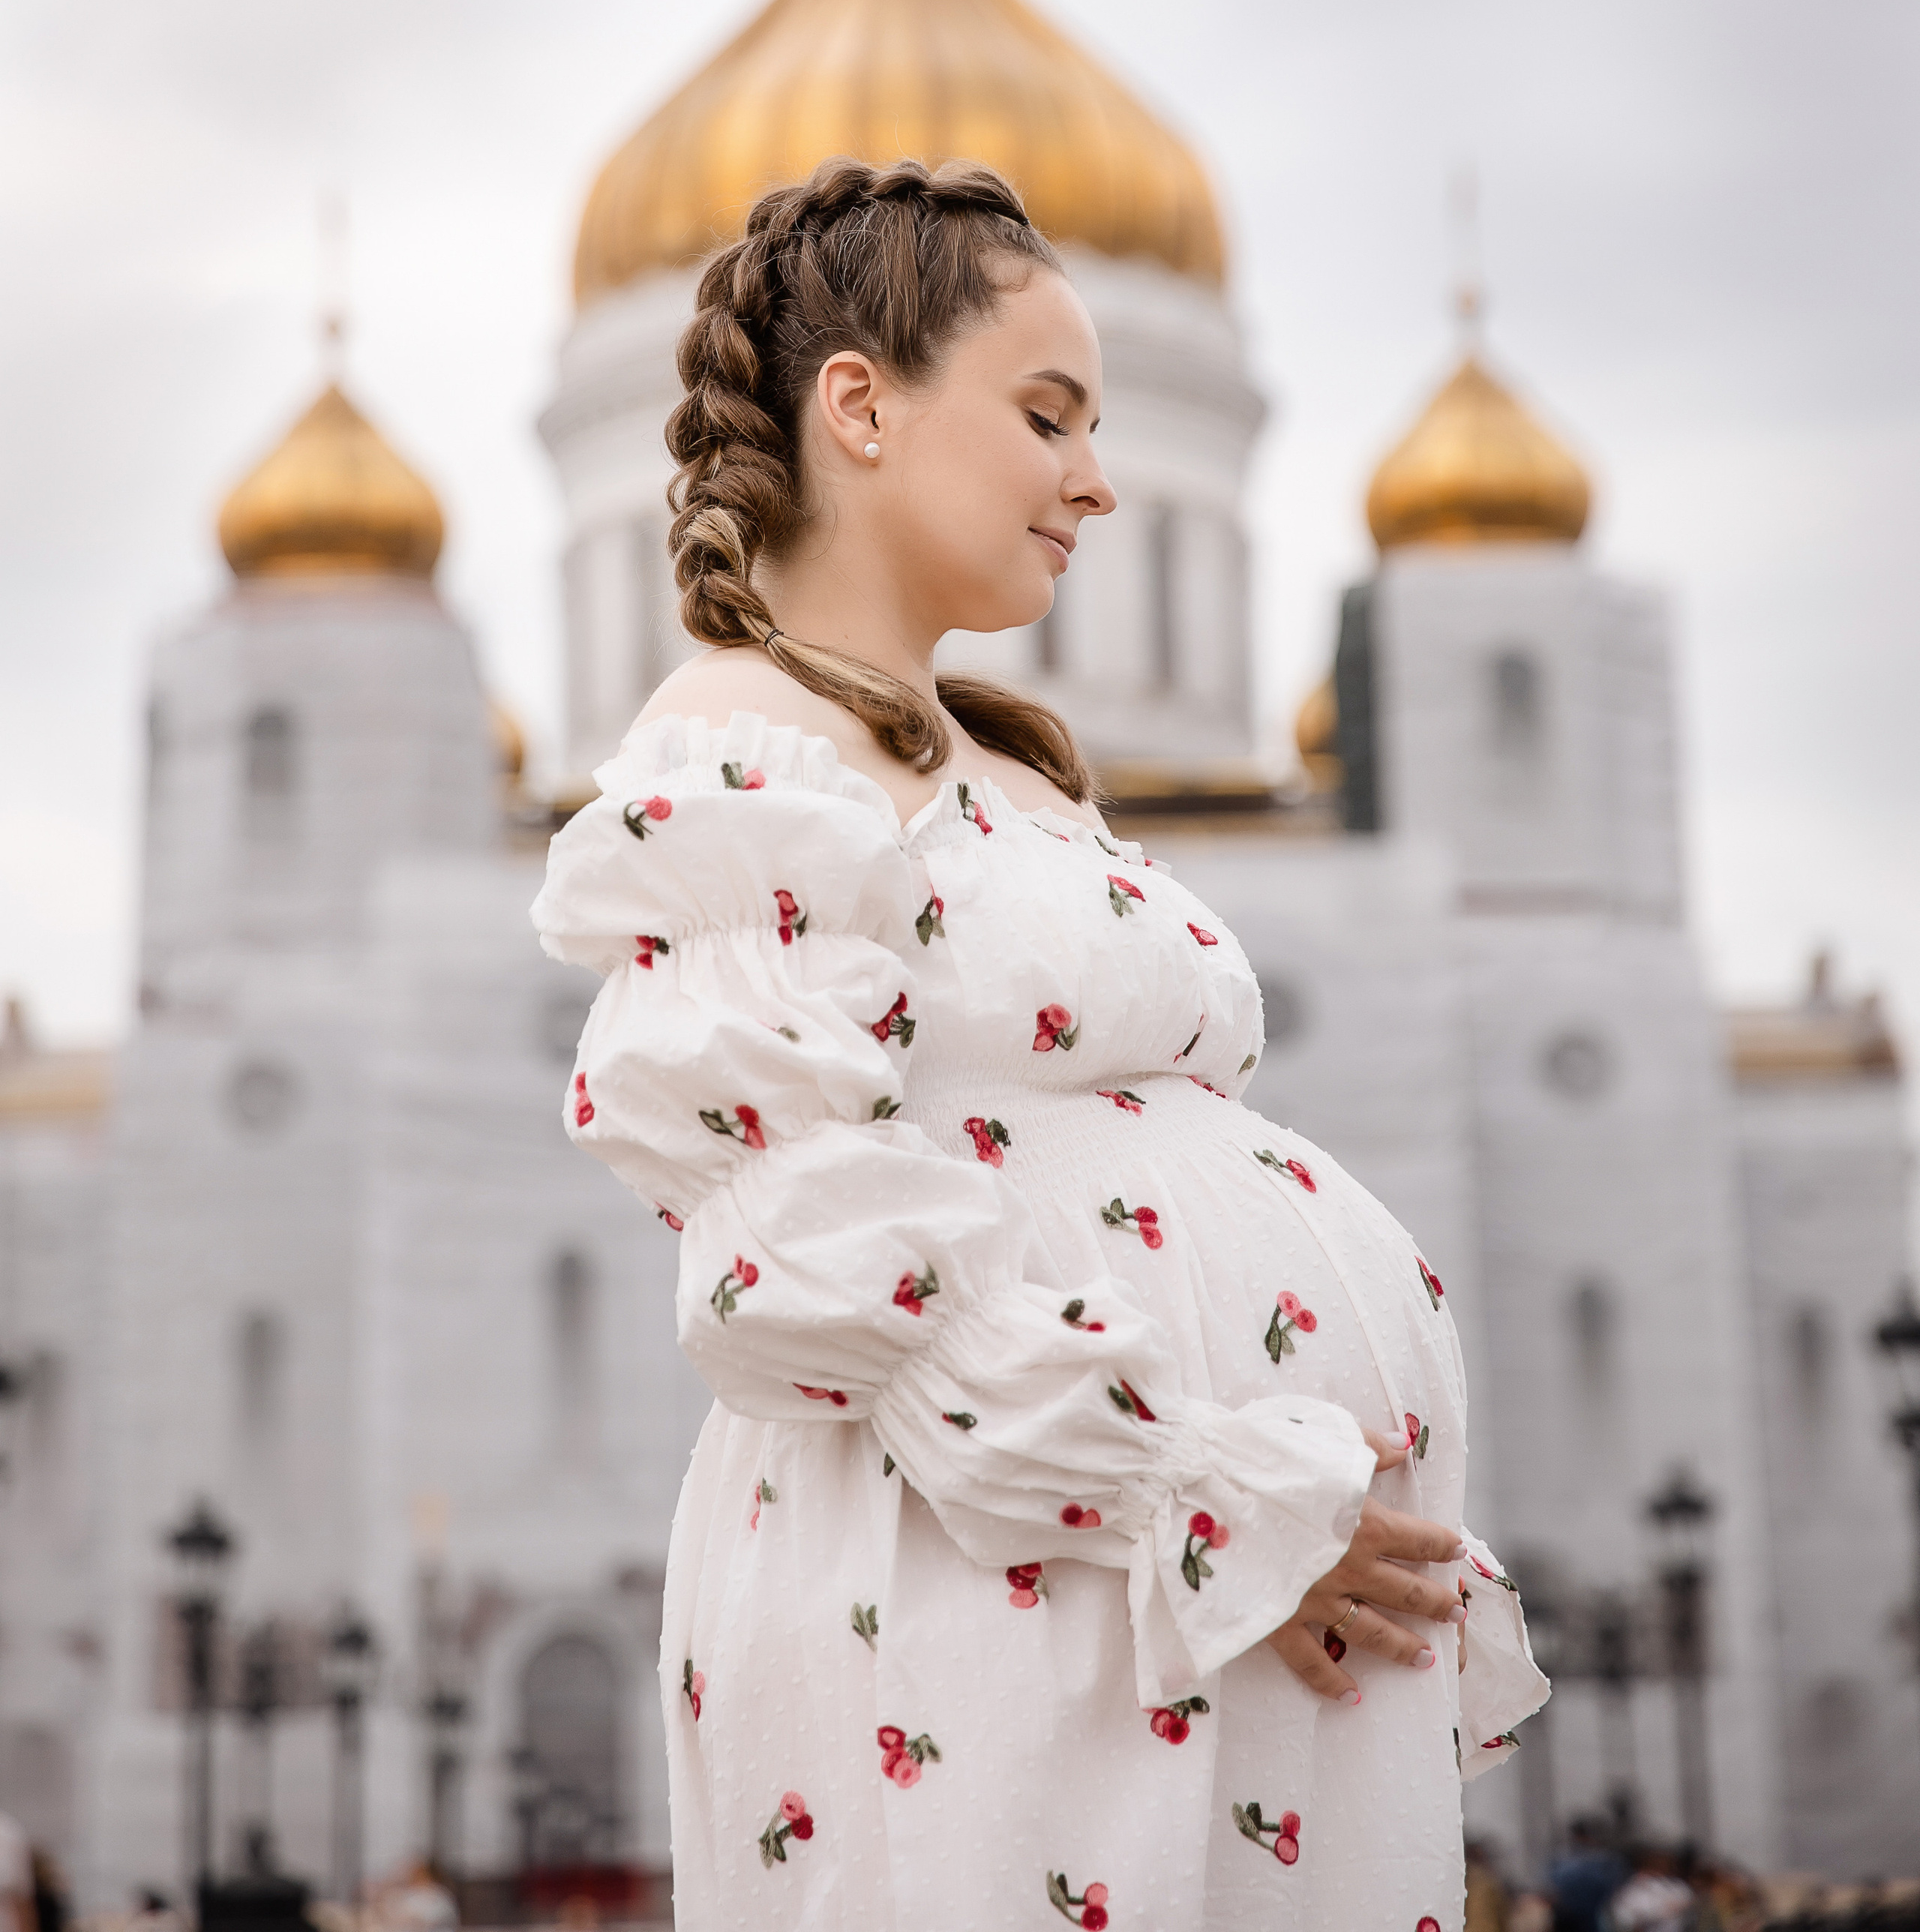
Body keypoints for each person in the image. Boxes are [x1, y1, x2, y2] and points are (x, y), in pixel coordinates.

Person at [535, 157, 1548, 1930]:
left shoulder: (1007, 768)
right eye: (1048, 415)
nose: (1094, 482)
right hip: (1007, 1574)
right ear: (858, 405)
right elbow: (797, 1239)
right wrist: (1191, 1487)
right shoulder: (743, 745)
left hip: (1184, 1594)